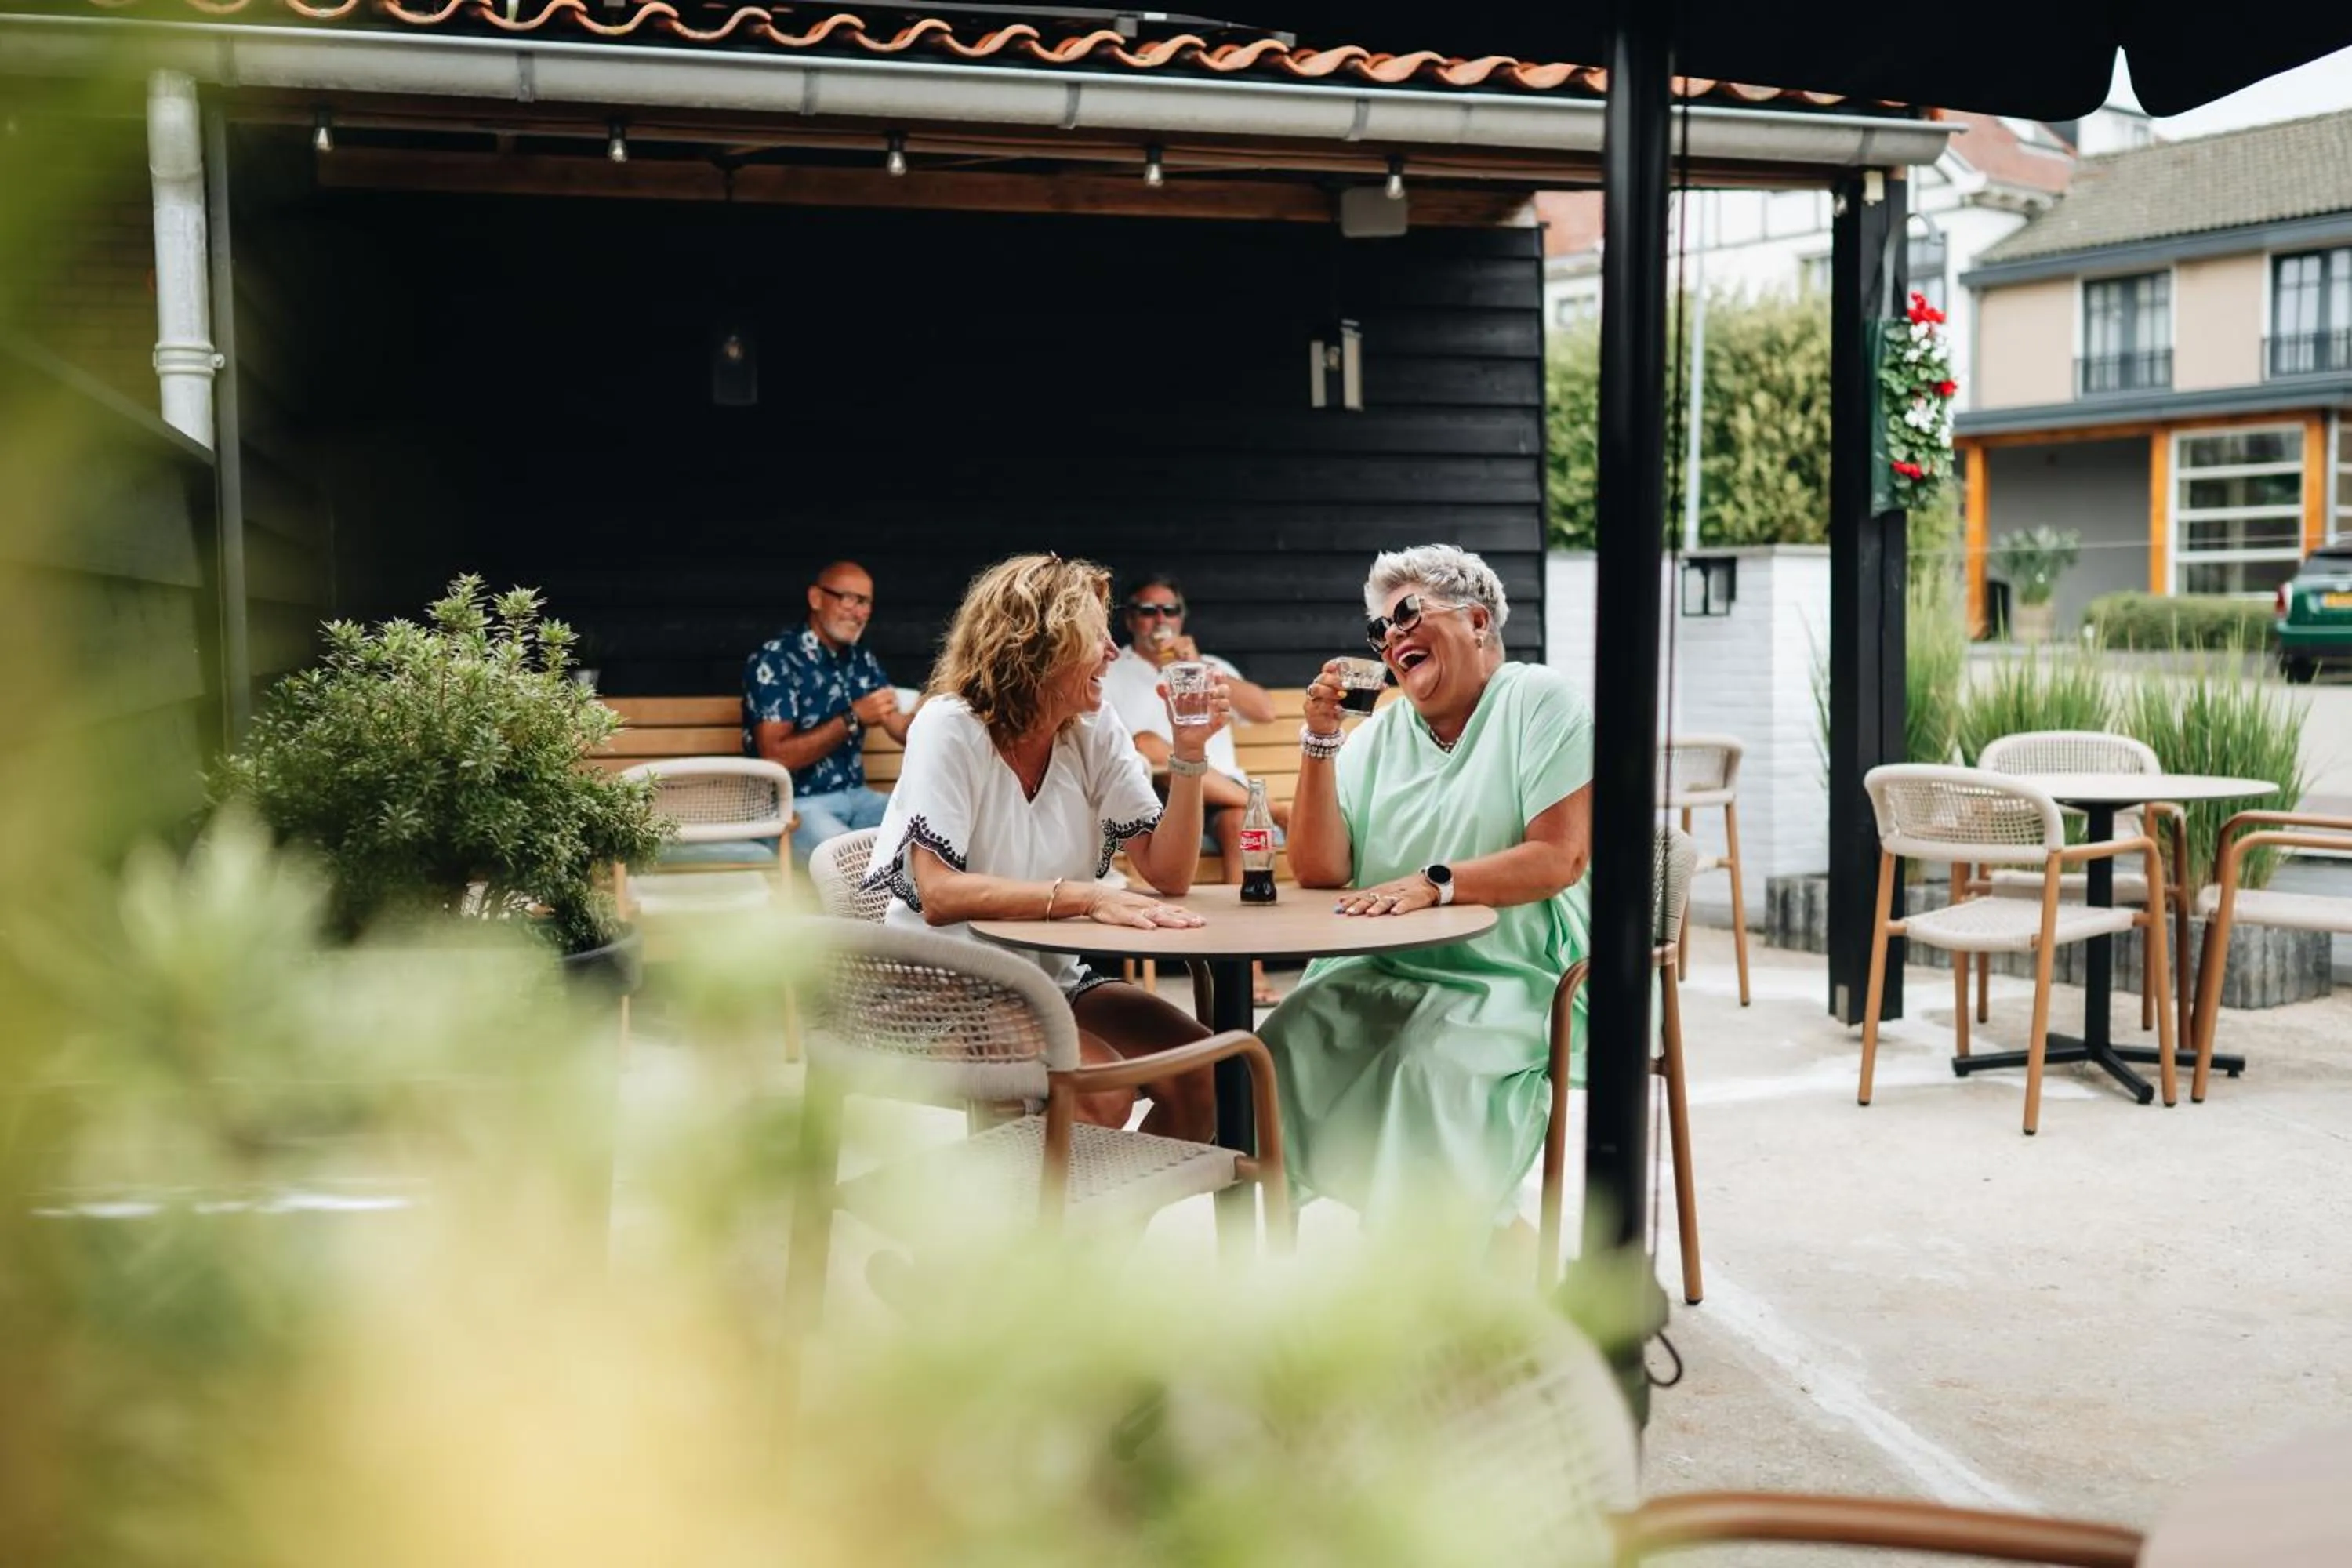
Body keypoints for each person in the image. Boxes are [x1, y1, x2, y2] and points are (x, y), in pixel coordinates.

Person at [1263, 544, 1595, 1238]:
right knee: (1283, 1047)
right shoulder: (1379, 734)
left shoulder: (1539, 700)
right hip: (1383, 964)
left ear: (1476, 620)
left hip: (1511, 971)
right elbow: (1321, 868)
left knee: (1426, 1067)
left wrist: (1436, 883)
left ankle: (1458, 1252)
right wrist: (1319, 741)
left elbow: (1559, 858)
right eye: (1379, 629)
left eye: (1408, 612)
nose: (1390, 636)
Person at [858, 554, 1234, 1140]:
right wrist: (1084, 897)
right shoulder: (950, 725)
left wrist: (1188, 753)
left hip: (1050, 981)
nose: (1113, 651)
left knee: (1211, 1072)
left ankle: (1100, 1228)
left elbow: (1167, 873)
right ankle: (1050, 1227)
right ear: (1039, 645)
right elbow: (938, 894)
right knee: (1099, 1095)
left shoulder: (1093, 727)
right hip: (943, 989)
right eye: (1095, 634)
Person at [1100, 572, 1288, 1002]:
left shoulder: (1210, 667)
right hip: (1156, 793)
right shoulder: (1112, 669)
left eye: (1169, 610)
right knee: (1148, 742)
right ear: (1131, 620)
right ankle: (1274, 809)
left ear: (1182, 618)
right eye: (1148, 611)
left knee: (1241, 821)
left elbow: (1265, 711)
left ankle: (1248, 966)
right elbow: (1135, 747)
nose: (1159, 619)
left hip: (1224, 800)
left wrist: (1200, 666)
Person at [744, 561, 912, 862]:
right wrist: (852, 718)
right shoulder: (776, 659)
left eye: (866, 603)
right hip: (795, 804)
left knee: (925, 828)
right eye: (850, 599)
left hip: (859, 798)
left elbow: (900, 729)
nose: (859, 612)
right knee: (849, 861)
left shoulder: (861, 659)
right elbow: (775, 756)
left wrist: (936, 706)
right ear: (816, 598)